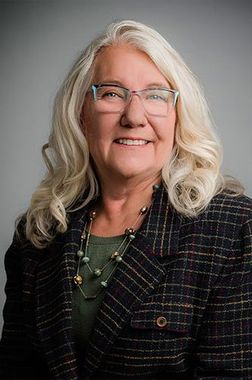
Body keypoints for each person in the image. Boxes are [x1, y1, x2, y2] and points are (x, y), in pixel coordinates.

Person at [0, 19, 251, 380]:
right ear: (82, 114)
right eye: (112, 93)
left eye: (156, 95)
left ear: (178, 116)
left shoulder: (233, 230)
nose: (134, 117)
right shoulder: (37, 234)